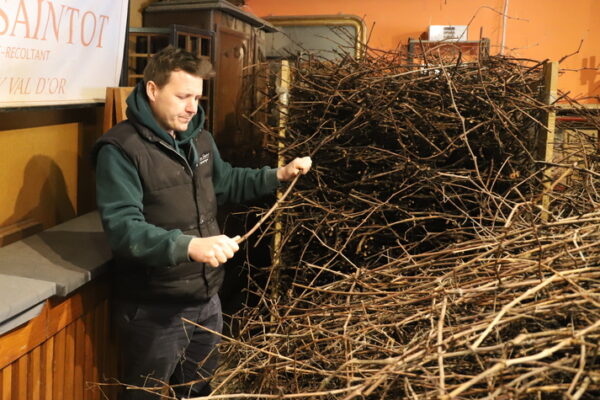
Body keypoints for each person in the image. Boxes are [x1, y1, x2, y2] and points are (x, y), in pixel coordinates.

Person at [93, 46, 311, 399]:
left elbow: (225, 182)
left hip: (207, 298)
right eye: (183, 96)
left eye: (196, 96)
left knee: (199, 392)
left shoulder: (199, 138)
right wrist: (190, 246)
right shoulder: (120, 149)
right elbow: (123, 229)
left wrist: (278, 174)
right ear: (152, 90)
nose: (193, 106)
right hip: (153, 306)